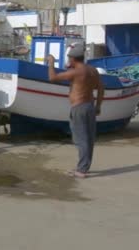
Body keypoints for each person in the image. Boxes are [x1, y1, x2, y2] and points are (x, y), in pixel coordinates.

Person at [47, 43, 104, 178]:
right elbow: (101, 88)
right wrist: (98, 106)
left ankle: (82, 170)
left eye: (69, 58)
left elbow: (52, 78)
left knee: (81, 139)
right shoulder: (92, 70)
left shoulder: (75, 72)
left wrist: (51, 63)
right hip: (90, 106)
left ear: (73, 59)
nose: (68, 61)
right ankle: (84, 167)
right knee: (89, 138)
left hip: (79, 108)